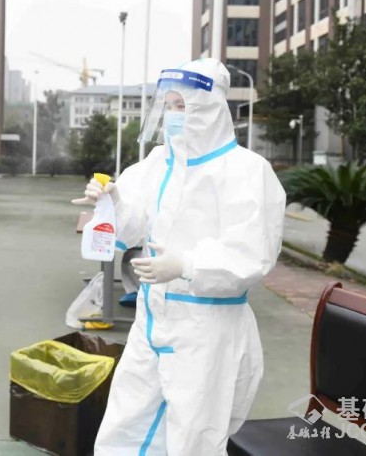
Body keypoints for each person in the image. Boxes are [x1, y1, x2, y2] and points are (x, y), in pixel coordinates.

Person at [72, 58, 286, 455]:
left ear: (210, 109)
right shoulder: (158, 163)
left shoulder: (246, 172)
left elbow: (252, 252)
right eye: (169, 105)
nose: (173, 114)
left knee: (193, 438)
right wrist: (112, 202)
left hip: (206, 328)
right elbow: (133, 225)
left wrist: (187, 265)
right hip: (152, 320)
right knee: (124, 426)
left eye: (182, 105)